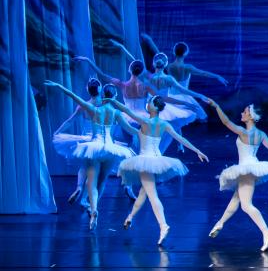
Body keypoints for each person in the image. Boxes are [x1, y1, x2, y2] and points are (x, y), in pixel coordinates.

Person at [208, 100, 268, 251]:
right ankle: (220, 223)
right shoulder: (261, 134)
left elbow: (226, 122)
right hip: (253, 168)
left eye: (245, 112)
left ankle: (266, 231)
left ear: (251, 117)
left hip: (246, 170)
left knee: (246, 205)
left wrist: (217, 106)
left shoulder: (243, 132)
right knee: (236, 199)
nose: (242, 113)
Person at [44, 81, 136, 229]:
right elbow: (130, 129)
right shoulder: (116, 113)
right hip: (110, 149)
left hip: (93, 146)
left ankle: (92, 209)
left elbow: (73, 97)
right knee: (102, 181)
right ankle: (93, 205)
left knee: (90, 181)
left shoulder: (93, 109)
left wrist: (59, 86)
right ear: (114, 96)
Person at [116, 96, 208, 245]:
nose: (147, 104)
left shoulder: (145, 121)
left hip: (145, 162)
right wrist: (197, 150)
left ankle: (163, 225)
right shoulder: (164, 124)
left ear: (154, 107)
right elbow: (180, 138)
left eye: (149, 102)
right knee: (143, 193)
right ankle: (130, 217)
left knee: (152, 195)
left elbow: (126, 110)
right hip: (156, 161)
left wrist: (111, 100)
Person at [50, 77, 102, 206]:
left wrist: (57, 132)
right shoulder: (104, 105)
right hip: (99, 140)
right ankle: (84, 199)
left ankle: (79, 188)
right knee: (94, 169)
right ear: (100, 89)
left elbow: (70, 121)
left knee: (84, 166)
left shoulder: (83, 105)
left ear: (88, 90)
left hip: (85, 140)